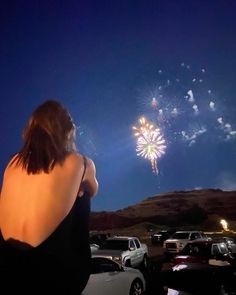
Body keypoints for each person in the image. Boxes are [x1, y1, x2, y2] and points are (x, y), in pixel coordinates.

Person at [0, 100, 98, 294]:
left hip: (7, 267)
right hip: (55, 275)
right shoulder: (81, 162)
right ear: (66, 130)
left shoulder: (12, 162)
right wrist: (77, 184)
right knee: (84, 193)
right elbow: (94, 190)